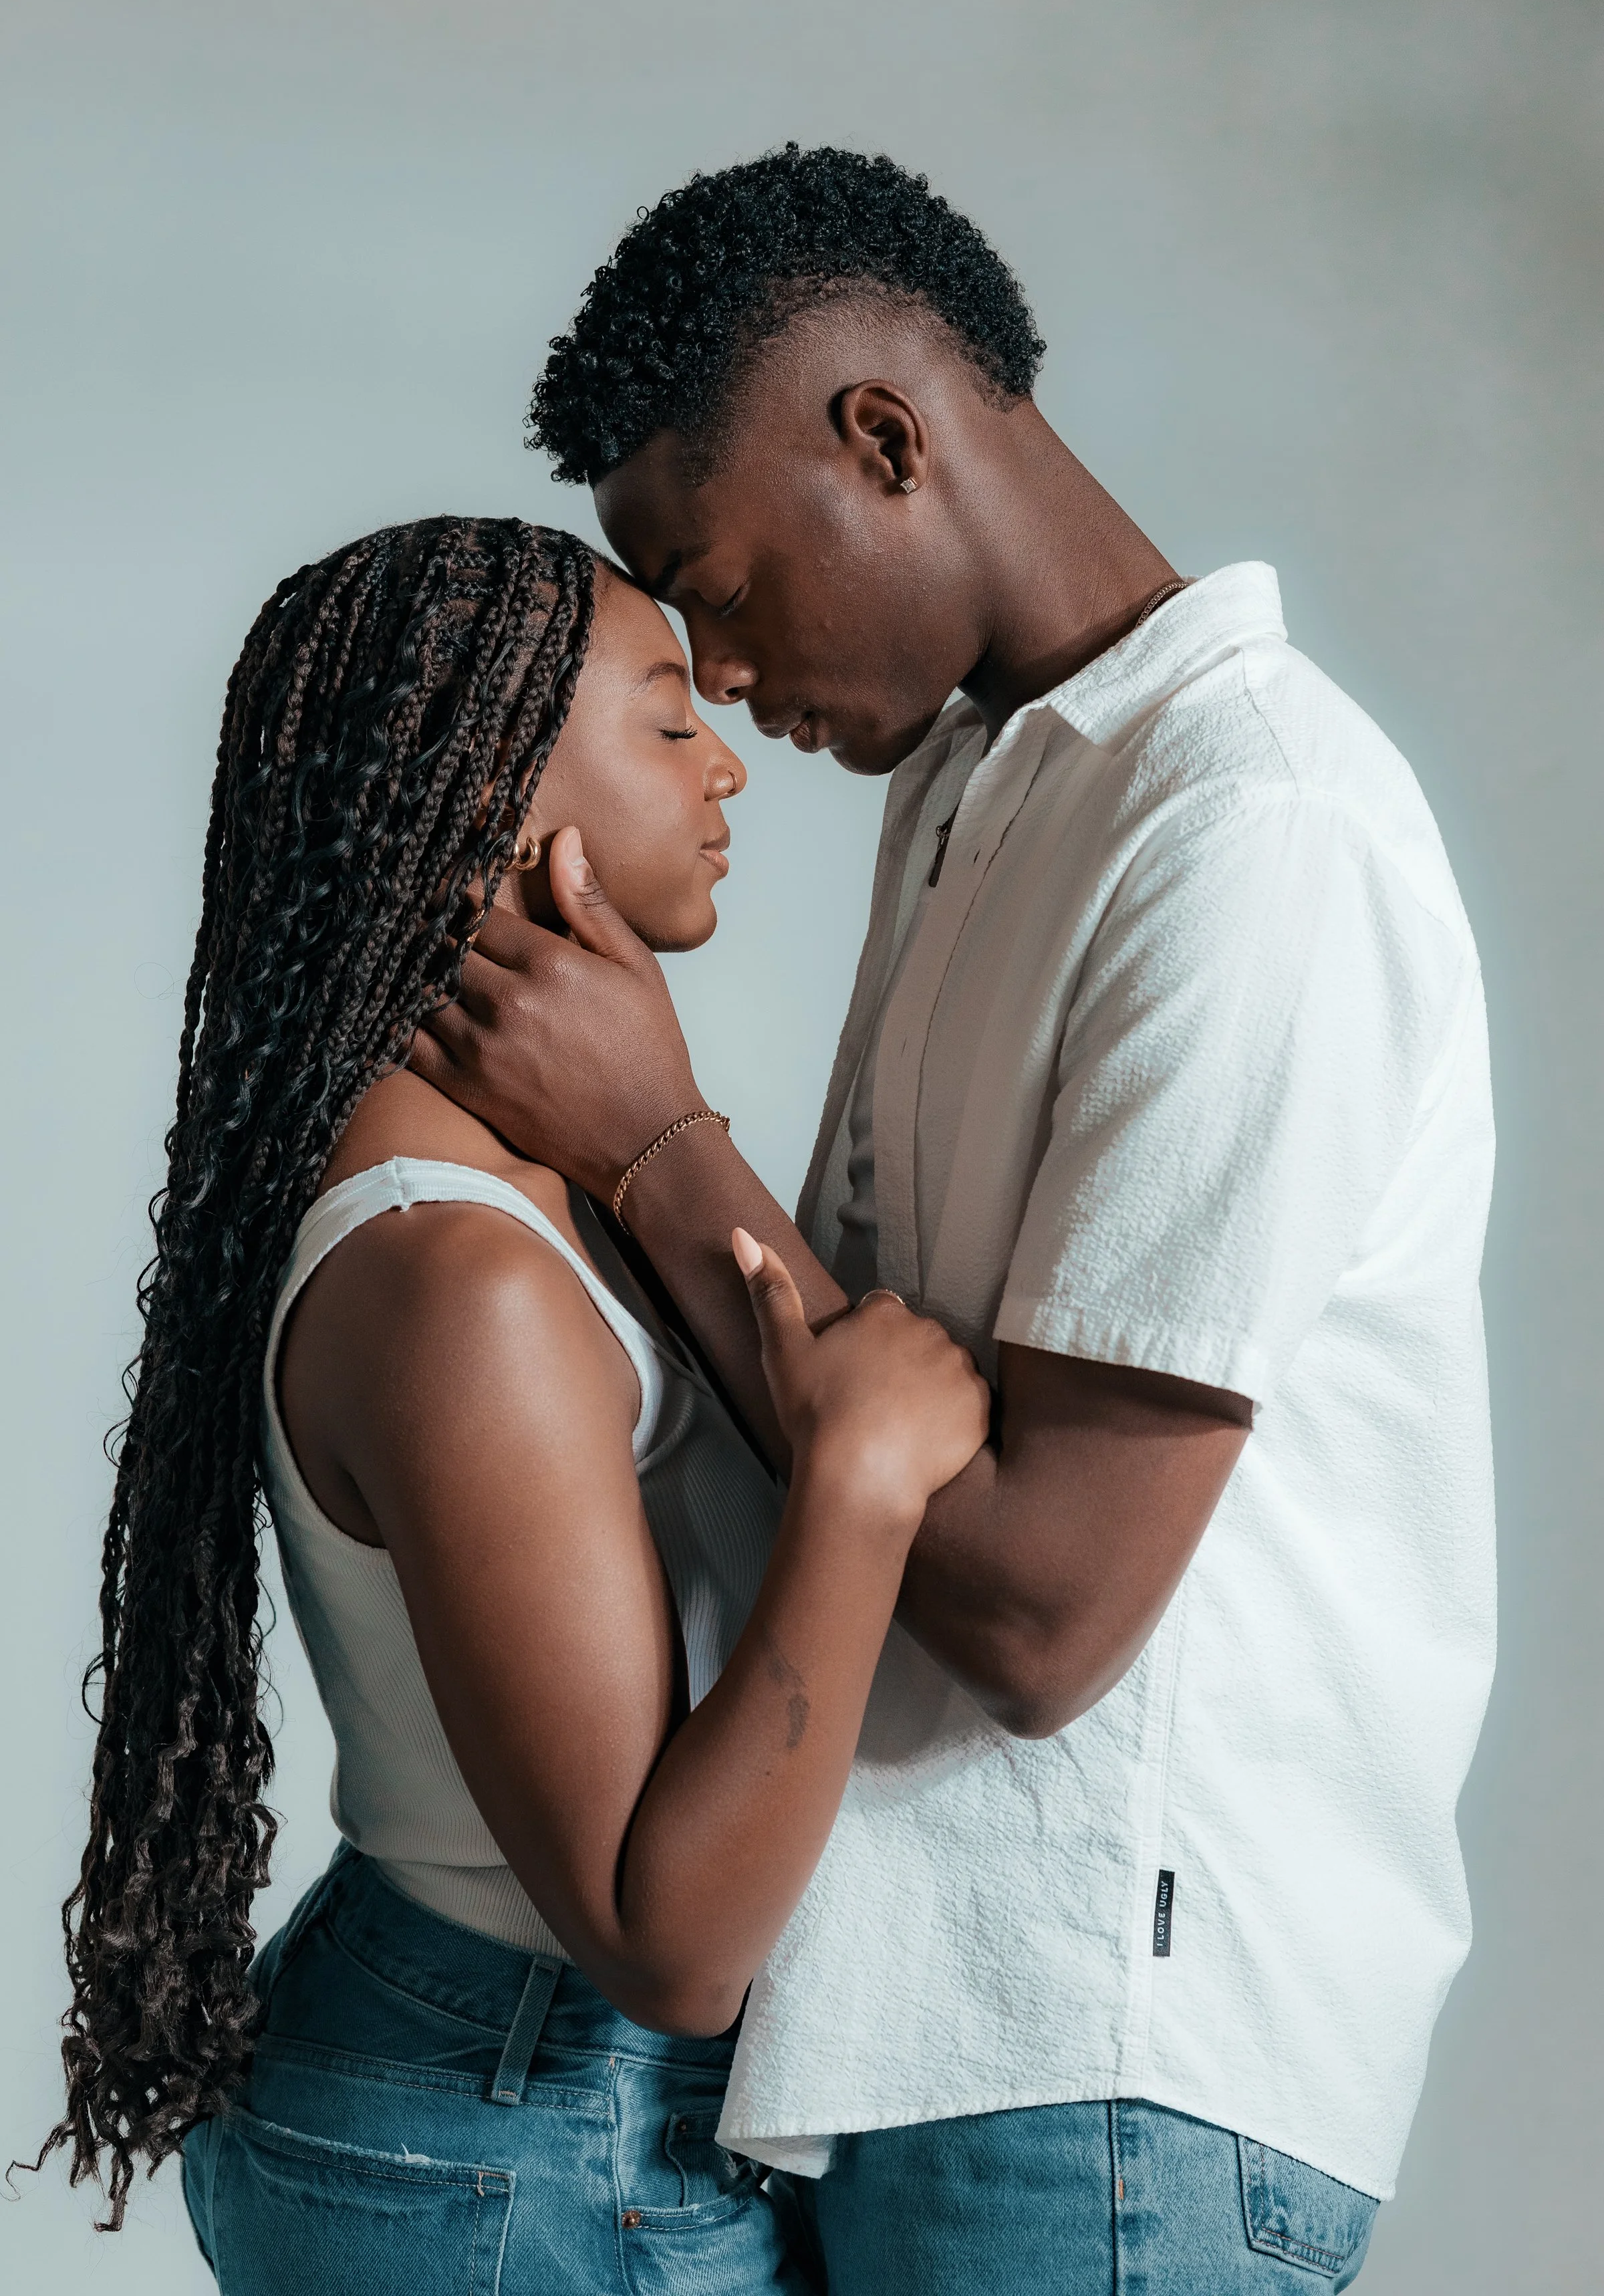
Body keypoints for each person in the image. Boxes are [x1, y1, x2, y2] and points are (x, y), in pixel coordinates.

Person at [412, 149, 1498, 2293]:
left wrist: (658, 1150)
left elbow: (1043, 1619)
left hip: (1109, 2077)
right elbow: (861, 1402)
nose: (713, 674)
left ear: (887, 443)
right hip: (930, 2040)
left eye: (718, 586)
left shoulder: (1249, 834)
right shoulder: (985, 785)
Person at [43, 513, 988, 2292]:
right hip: (517, 2129)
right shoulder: (460, 1285)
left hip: (486, 2094)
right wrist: (861, 1484)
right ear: (490, 794)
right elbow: (667, 1945)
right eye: (662, 721)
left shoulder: (514, 1202)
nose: (728, 762)